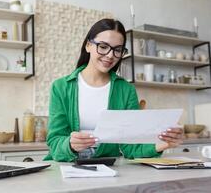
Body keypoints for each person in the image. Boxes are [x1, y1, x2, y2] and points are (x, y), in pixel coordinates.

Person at [43, 18, 183, 162]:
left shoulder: (126, 90)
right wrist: (70, 145)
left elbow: (131, 147)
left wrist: (162, 144)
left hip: (109, 168)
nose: (110, 55)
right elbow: (55, 141)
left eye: (117, 50)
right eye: (103, 46)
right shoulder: (60, 87)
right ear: (88, 45)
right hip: (68, 166)